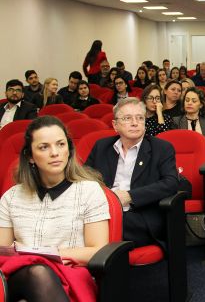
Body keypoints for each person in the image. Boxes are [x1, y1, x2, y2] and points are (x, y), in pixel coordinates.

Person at [0, 116, 109, 301]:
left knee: (40, 273)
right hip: (21, 274)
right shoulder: (11, 197)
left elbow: (97, 250)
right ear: (30, 156)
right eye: (44, 147)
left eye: (61, 144)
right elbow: (3, 251)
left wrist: (46, 254)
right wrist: (35, 257)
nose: (55, 153)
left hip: (71, 273)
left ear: (69, 149)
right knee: (37, 272)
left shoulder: (89, 191)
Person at [85, 98, 179, 247]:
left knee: (102, 226)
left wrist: (130, 196)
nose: (135, 123)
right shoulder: (102, 146)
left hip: (140, 215)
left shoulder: (161, 148)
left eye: (140, 118)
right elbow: (84, 179)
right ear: (115, 125)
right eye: (127, 118)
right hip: (101, 211)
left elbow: (171, 183)